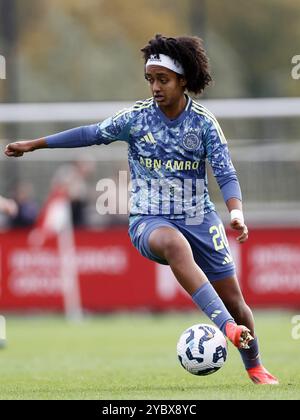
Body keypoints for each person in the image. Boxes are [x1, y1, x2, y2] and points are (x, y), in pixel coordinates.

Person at [4, 34, 278, 385]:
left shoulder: (204, 123)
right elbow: (91, 133)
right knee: (175, 246)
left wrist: (236, 213)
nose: (155, 87)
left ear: (183, 80)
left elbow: (224, 171)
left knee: (237, 303)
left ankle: (255, 366)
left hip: (200, 218)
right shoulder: (136, 118)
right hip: (149, 219)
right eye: (150, 79)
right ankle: (226, 328)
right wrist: (35, 144)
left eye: (163, 79)